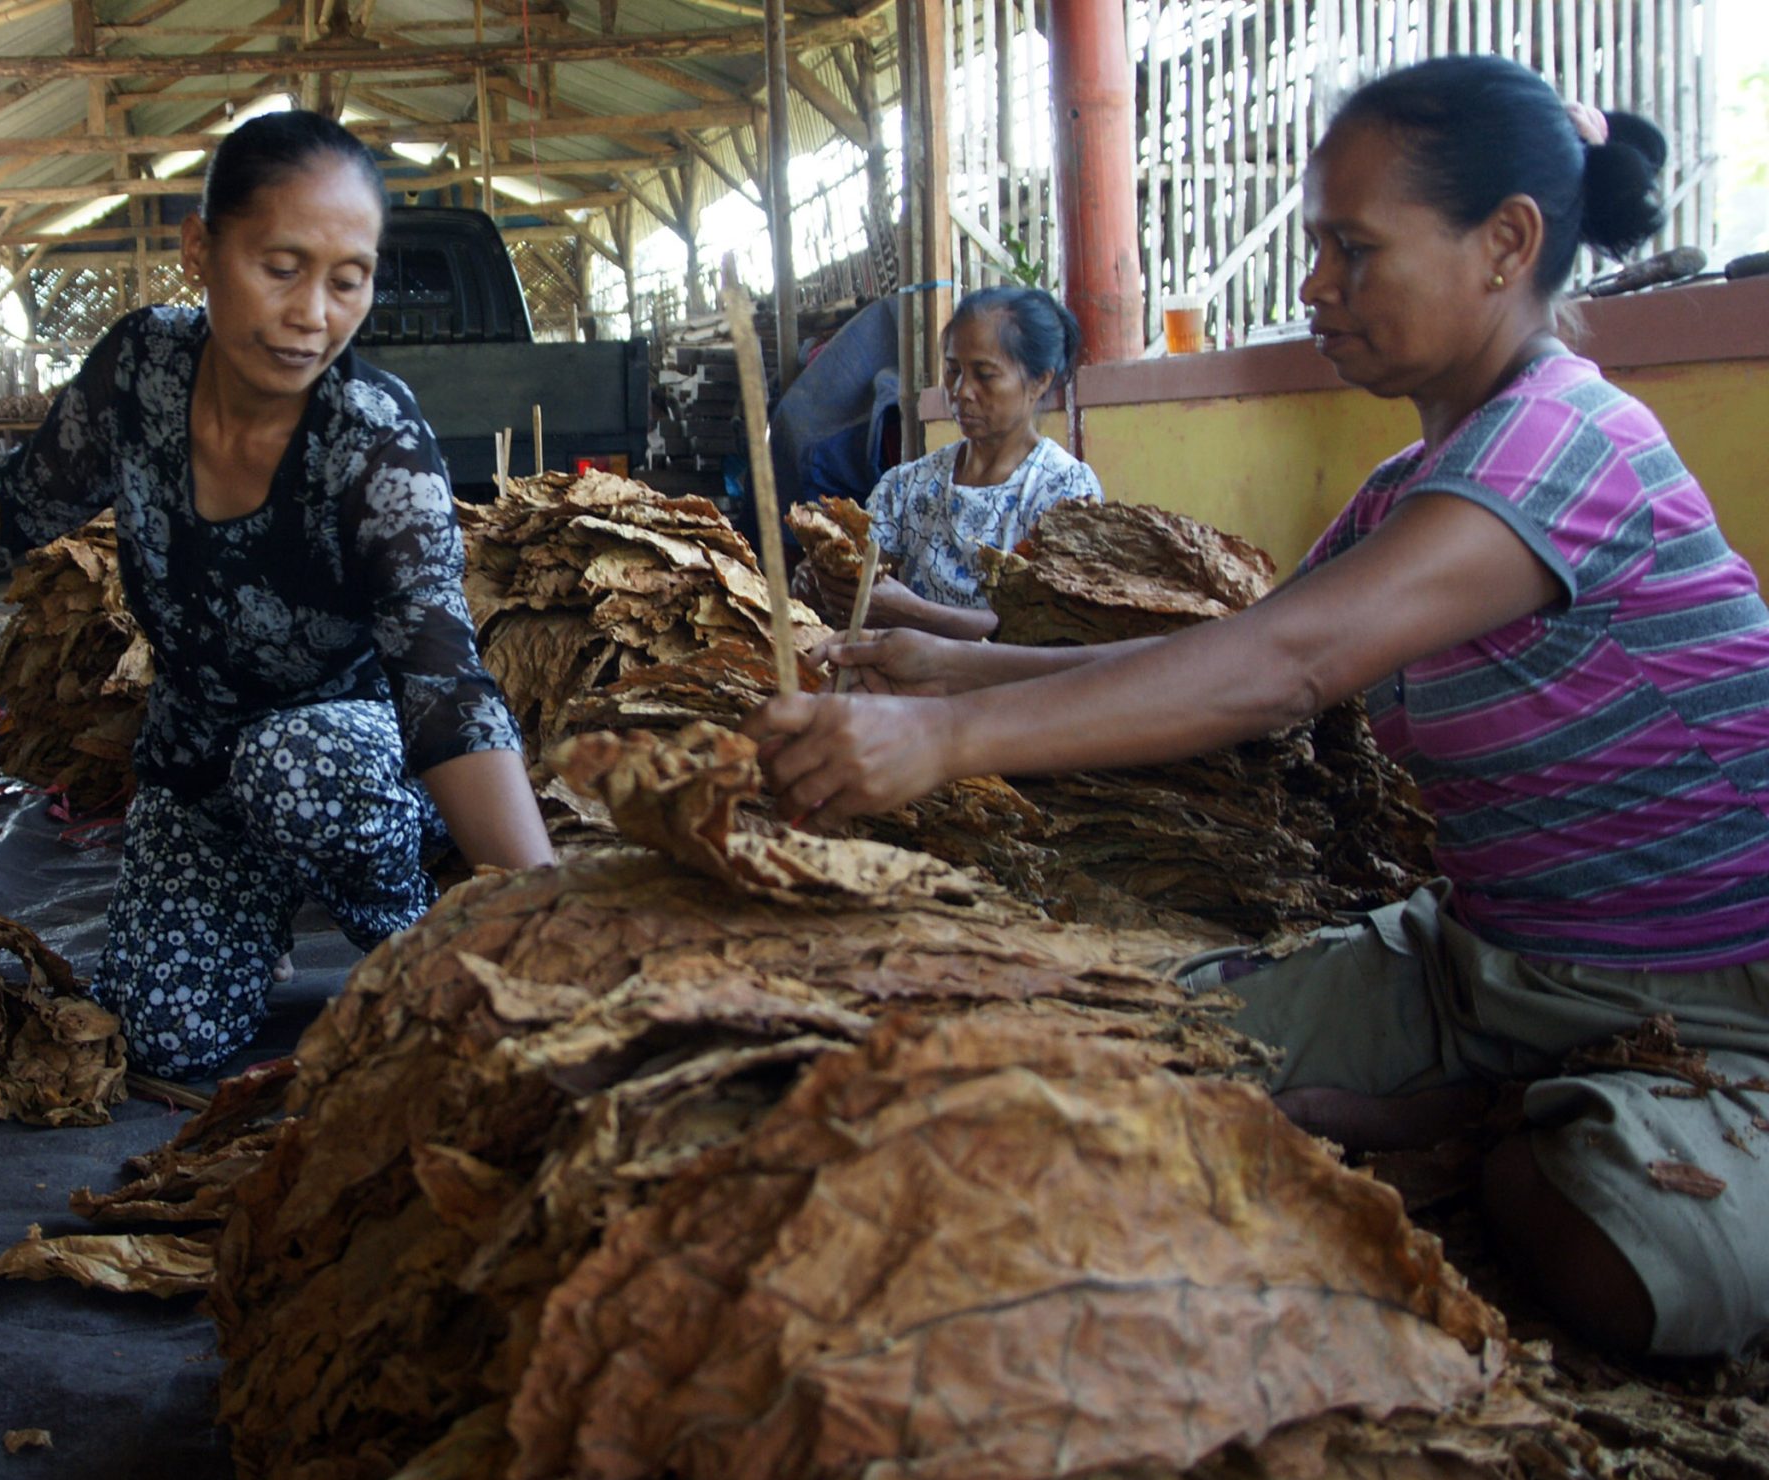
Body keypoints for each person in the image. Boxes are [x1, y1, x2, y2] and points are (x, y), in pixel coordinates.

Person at [750, 57, 1769, 1361]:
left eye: (1353, 250)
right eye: (1314, 248)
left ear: (1506, 243)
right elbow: (1242, 656)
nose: (1313, 289)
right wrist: (948, 672)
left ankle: (1499, 1120)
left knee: (1631, 1252)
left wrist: (940, 740)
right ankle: (1489, 1094)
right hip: (1482, 971)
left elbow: (1283, 668)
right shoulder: (1417, 480)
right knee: (1125, 1045)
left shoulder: (1571, 440)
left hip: (1710, 1002)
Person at [0, 111, 554, 1078]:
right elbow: (16, 495)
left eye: (347, 279)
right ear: (201, 250)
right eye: (280, 267)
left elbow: (445, 689)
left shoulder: (374, 444)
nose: (311, 313)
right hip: (200, 762)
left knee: (302, 765)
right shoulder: (143, 369)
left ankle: (415, 931)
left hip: (352, 761)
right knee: (162, 1036)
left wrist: (545, 909)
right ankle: (257, 901)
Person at [810, 287, 1101, 642]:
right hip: (906, 687)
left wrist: (912, 613)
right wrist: (822, 581)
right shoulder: (909, 486)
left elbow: (1055, 631)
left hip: (1014, 694)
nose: (962, 390)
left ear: (1039, 381)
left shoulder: (1064, 490)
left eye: (985, 374)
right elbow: (859, 580)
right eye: (952, 370)